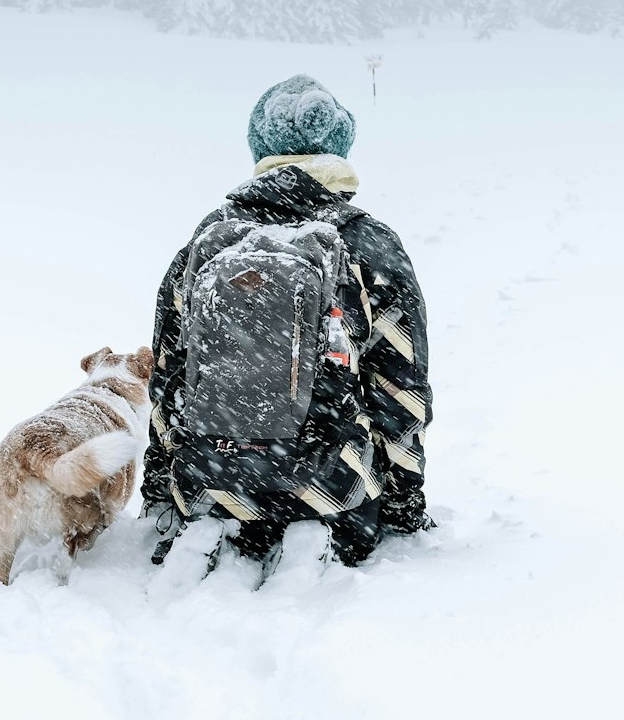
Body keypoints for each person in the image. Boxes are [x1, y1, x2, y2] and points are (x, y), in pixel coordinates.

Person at [140, 74, 432, 569]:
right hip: (336, 497)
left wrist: (161, 489)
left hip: (210, 490)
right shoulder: (370, 244)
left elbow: (169, 377)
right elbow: (399, 388)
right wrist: (404, 505)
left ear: (260, 148)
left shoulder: (209, 240)